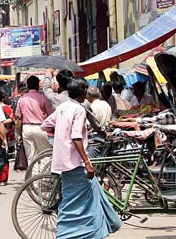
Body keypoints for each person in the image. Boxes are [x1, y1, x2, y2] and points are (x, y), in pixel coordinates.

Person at [41, 78, 121, 238]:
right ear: (81, 92)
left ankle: (76, 232)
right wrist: (87, 162)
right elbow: (76, 137)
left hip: (62, 163)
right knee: (83, 202)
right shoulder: (78, 110)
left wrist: (60, 136)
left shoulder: (62, 107)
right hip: (75, 162)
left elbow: (46, 125)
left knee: (71, 200)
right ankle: (83, 233)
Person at [15, 76, 54, 164]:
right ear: (37, 86)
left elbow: (18, 118)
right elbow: (51, 115)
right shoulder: (43, 98)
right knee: (44, 154)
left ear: (28, 86)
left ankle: (34, 176)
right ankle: (44, 177)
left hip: (26, 128)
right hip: (40, 128)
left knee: (31, 156)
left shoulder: (22, 99)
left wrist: (19, 133)